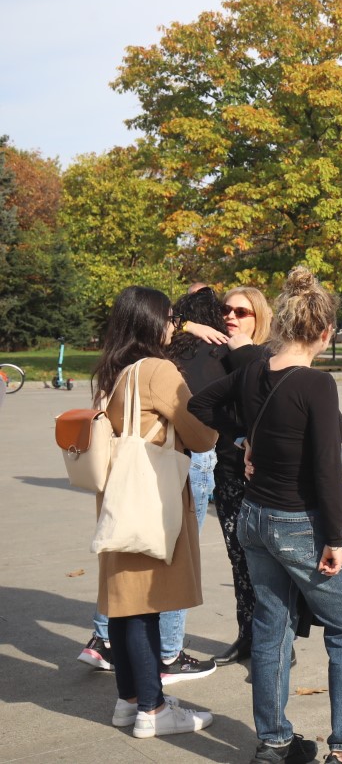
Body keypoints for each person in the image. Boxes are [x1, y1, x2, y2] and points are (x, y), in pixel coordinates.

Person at [190, 267, 342, 764]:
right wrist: (332, 537)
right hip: (298, 520)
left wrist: (241, 438)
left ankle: (275, 743)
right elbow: (328, 469)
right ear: (326, 333)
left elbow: (201, 403)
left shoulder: (253, 371)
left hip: (256, 516)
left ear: (281, 323)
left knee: (271, 627)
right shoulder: (316, 384)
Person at [80, 287, 226, 683]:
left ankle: (130, 701)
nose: (173, 324)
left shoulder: (114, 371)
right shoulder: (158, 371)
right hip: (153, 496)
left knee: (126, 607)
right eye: (168, 317)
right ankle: (152, 704)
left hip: (119, 496)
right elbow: (202, 438)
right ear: (150, 322)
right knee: (147, 605)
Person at [210, 285, 274, 665]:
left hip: (267, 480)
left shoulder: (270, 358)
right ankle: (247, 635)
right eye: (225, 309)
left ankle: (275, 640)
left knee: (268, 564)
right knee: (239, 560)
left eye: (241, 311)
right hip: (230, 473)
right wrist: (234, 437)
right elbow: (202, 405)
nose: (230, 316)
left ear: (259, 317)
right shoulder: (216, 356)